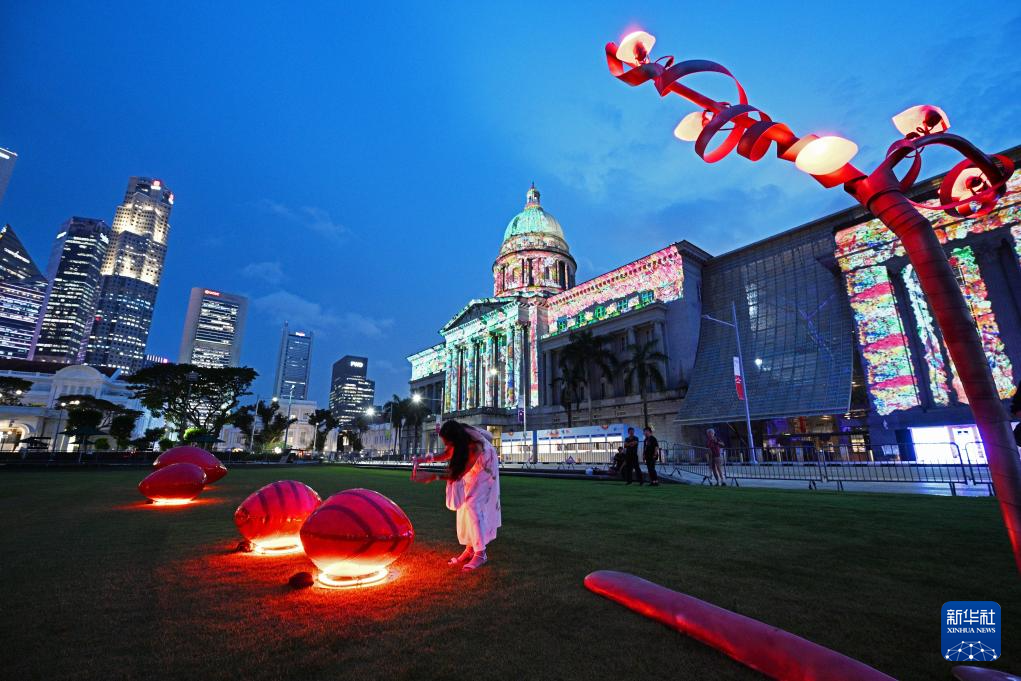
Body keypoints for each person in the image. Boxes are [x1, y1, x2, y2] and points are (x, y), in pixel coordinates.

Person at [413, 420, 501, 571]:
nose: (447, 446)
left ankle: (480, 553)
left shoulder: (474, 446)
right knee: (464, 505)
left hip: (486, 469)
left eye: (448, 442)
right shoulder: (460, 437)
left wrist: (433, 476)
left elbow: (459, 474)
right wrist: (425, 459)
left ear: (456, 439)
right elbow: (448, 453)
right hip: (474, 468)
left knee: (473, 504)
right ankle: (470, 548)